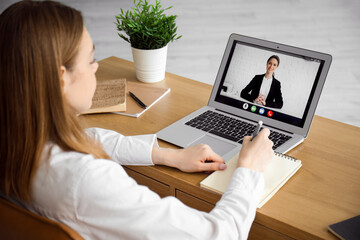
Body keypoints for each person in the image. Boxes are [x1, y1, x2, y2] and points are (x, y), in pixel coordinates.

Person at [0, 1, 273, 239]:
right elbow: (219, 235)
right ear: (62, 78)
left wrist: (166, 156)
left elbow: (88, 137)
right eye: (91, 60)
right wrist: (249, 169)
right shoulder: (88, 181)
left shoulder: (17, 139)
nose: (96, 68)